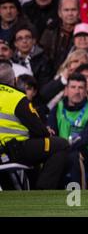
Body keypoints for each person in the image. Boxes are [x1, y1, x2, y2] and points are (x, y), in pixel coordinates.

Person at [0, 61, 69, 189]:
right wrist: (46, 131)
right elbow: (39, 131)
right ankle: (42, 191)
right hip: (15, 150)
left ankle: (13, 191)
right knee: (61, 145)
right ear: (15, 80)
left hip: (4, 154)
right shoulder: (17, 98)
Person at [47, 73, 88, 188]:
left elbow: (87, 138)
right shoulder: (57, 108)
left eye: (81, 88)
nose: (77, 91)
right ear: (66, 90)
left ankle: (77, 197)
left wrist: (64, 147)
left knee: (74, 155)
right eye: (73, 87)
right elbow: (51, 132)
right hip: (61, 151)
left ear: (85, 91)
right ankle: (45, 195)